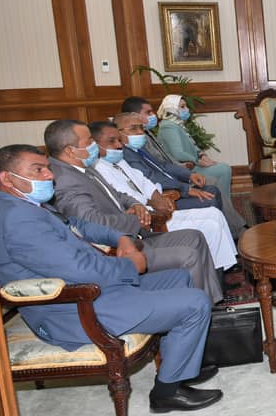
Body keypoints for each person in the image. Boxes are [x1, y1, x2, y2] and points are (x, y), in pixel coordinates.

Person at [0, 144, 222, 413]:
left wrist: (120, 237)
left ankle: (179, 367)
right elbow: (80, 270)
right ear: (7, 178)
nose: (49, 175)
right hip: (73, 308)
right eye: (38, 170)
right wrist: (130, 266)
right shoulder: (17, 218)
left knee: (178, 277)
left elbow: (77, 225)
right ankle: (166, 393)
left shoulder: (25, 205)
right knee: (195, 303)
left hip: (93, 290)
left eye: (47, 168)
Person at [44, 119, 223, 303]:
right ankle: (197, 307)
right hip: (116, 252)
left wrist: (136, 205)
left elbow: (117, 194)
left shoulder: (83, 167)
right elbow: (92, 223)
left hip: (133, 236)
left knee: (195, 237)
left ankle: (211, 303)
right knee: (189, 256)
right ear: (70, 150)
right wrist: (136, 219)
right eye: (89, 140)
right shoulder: (65, 180)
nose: (93, 144)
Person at [90, 121, 237, 271]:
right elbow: (127, 197)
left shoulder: (120, 161)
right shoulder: (99, 169)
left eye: (119, 140)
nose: (118, 145)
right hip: (149, 220)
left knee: (215, 214)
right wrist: (155, 203)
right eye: (111, 141)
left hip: (157, 208)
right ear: (95, 144)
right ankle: (216, 272)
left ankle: (223, 270)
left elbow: (144, 181)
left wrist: (159, 199)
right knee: (211, 226)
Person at [120, 96, 248, 235]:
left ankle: (228, 230)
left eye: (140, 128)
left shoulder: (142, 141)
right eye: (148, 112)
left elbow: (164, 165)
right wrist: (185, 187)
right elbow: (154, 176)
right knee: (212, 188)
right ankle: (233, 230)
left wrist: (190, 173)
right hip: (165, 194)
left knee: (213, 188)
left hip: (176, 177)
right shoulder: (131, 151)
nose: (140, 132)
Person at [155, 94, 236, 212]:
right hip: (184, 168)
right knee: (223, 169)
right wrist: (198, 161)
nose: (186, 109)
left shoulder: (176, 124)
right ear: (172, 109)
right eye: (182, 106)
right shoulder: (169, 127)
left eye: (186, 106)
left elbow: (193, 145)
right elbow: (178, 154)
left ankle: (226, 204)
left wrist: (202, 155)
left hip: (192, 164)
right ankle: (225, 207)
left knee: (223, 168)